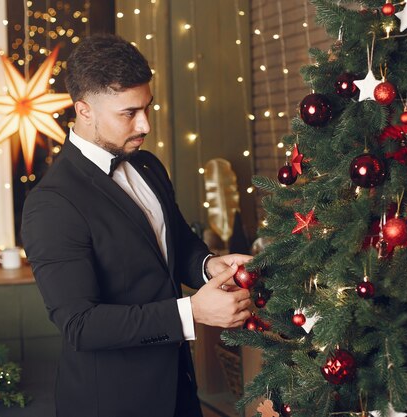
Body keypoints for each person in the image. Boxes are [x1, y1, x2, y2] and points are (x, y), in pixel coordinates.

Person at [21, 34, 253, 417]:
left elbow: (174, 242)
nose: (145, 124)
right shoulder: (52, 203)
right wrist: (191, 312)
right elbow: (80, 324)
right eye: (129, 113)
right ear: (84, 110)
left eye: (148, 108)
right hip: (111, 402)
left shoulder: (148, 165)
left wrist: (210, 265)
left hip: (179, 389)